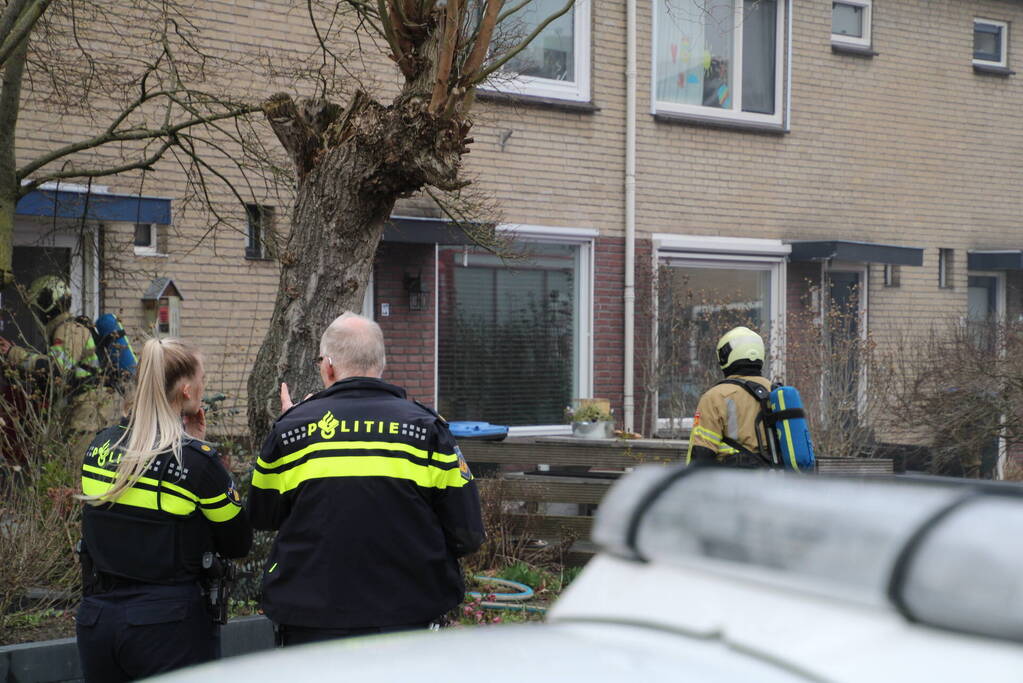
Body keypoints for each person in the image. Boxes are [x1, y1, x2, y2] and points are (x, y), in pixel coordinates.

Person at [249, 311, 485, 647]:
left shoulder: (292, 432)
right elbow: (468, 533)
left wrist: (290, 425)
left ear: (328, 366)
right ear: (381, 365)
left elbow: (262, 516)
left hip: (310, 622)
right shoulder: (427, 430)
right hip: (407, 619)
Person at [75, 338, 252, 682]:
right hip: (168, 629)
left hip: (97, 623)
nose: (204, 386)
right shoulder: (198, 464)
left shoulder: (98, 446)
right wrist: (199, 449)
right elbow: (237, 542)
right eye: (202, 379)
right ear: (186, 390)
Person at [0, 275, 119, 455]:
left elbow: (57, 368)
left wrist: (14, 353)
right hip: (81, 412)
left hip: (88, 414)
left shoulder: (70, 330)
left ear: (46, 305)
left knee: (79, 470)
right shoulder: (63, 330)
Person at [686, 326, 774, 468]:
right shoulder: (778, 393)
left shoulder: (715, 397)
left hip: (733, 483)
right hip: (777, 484)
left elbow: (701, 453)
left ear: (725, 356)